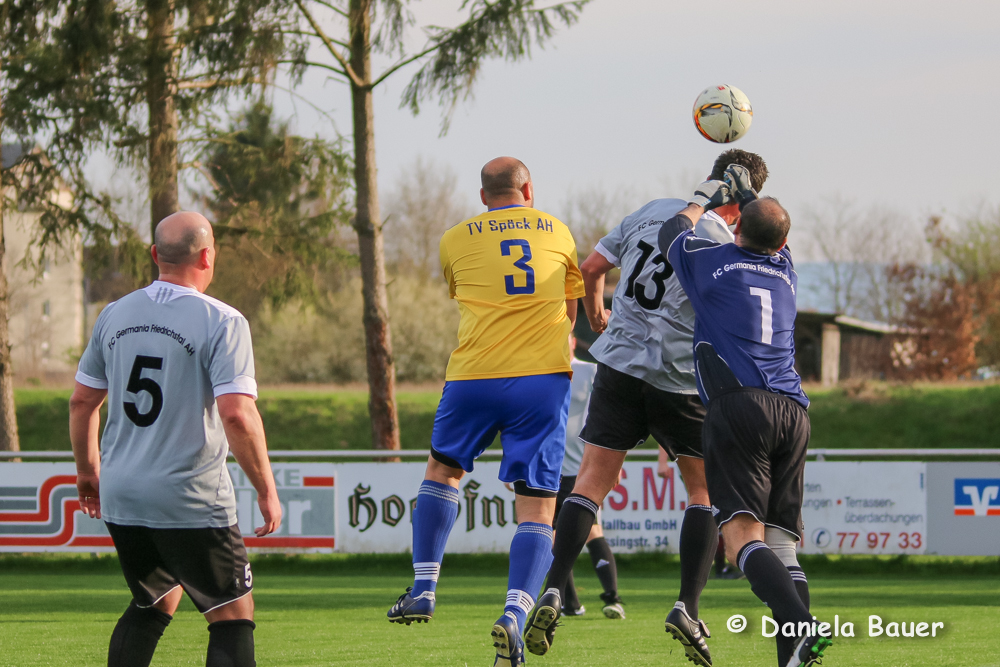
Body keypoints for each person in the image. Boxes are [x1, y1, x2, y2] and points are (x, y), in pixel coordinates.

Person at [525, 150, 769, 667]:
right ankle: (687, 606)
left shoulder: (651, 209)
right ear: (743, 199)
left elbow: (592, 269)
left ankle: (550, 591)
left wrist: (598, 320)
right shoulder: (726, 242)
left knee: (589, 483)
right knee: (702, 493)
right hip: (679, 380)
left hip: (618, 367)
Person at [386, 157, 586, 667]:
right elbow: (570, 311)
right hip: (541, 380)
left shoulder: (454, 238)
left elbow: (464, 291)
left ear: (483, 196)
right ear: (529, 189)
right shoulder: (559, 231)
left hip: (473, 376)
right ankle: (515, 614)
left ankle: (424, 587)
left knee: (442, 471)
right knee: (538, 505)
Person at [70, 211, 281, 667]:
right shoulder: (222, 319)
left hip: (123, 493)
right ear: (208, 256)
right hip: (189, 494)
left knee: (155, 600)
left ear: (155, 256)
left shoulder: (113, 313)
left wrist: (88, 474)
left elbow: (81, 402)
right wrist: (266, 489)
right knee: (231, 614)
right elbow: (238, 415)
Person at [658, 171, 831, 667]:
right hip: (793, 411)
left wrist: (705, 197)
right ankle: (793, 657)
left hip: (740, 406)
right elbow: (769, 229)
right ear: (784, 241)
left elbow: (673, 233)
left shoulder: (714, 262)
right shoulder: (787, 269)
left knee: (739, 540)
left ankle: (804, 627)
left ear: (736, 232)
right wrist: (752, 198)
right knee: (781, 544)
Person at [553, 333, 624, 620]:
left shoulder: (590, 370)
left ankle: (611, 598)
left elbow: (612, 416)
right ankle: (571, 603)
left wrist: (612, 461)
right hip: (547, 470)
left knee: (588, 531)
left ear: (572, 342)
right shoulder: (542, 375)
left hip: (582, 469)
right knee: (553, 536)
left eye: (566, 336)